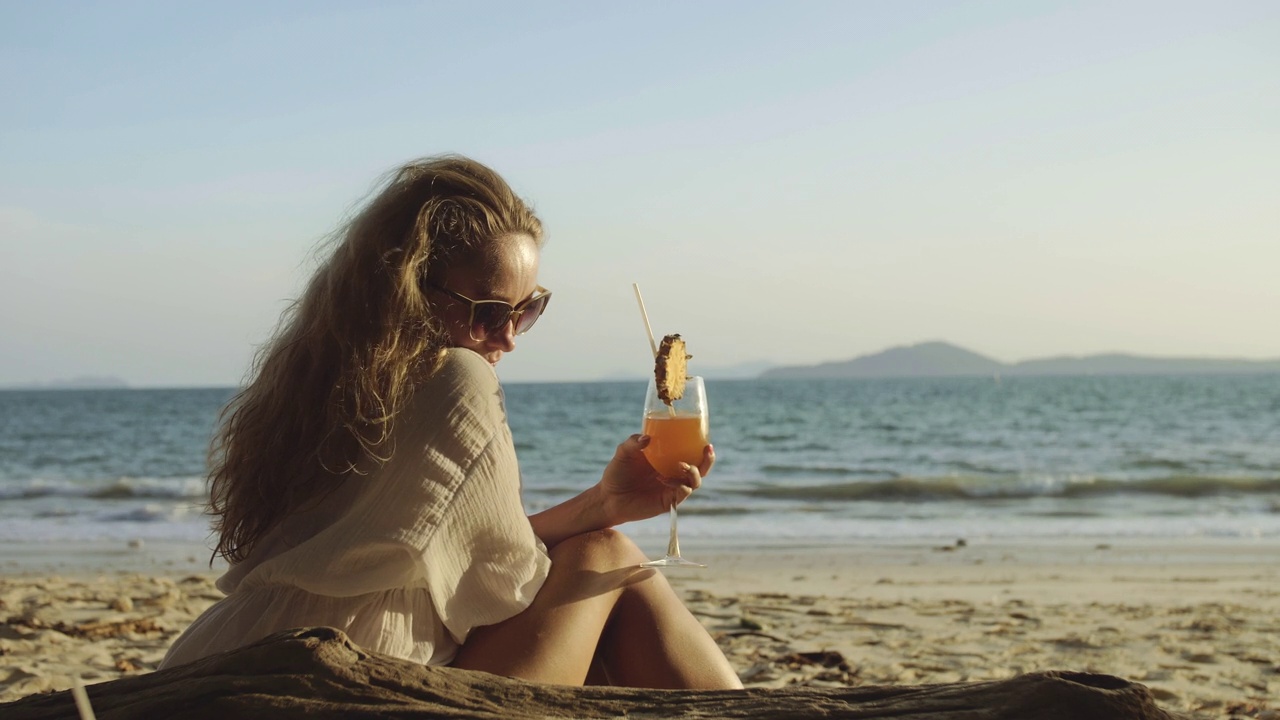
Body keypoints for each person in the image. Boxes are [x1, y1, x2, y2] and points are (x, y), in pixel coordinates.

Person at [159, 155, 742, 690]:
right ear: (406, 289)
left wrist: (603, 504)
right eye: (489, 312)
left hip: (231, 660)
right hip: (345, 683)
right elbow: (507, 585)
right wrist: (602, 523)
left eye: (527, 308)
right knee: (609, 559)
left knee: (605, 552)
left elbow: (454, 557)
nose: (509, 338)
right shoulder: (455, 377)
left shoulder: (328, 384)